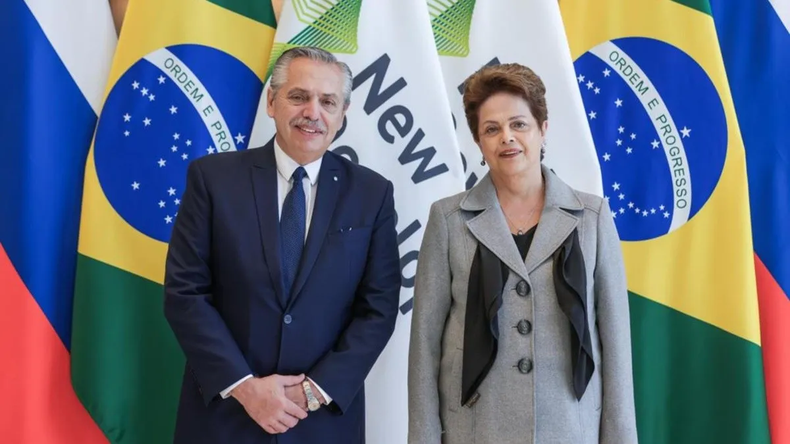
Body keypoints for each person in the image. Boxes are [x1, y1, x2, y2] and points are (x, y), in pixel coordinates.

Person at [164, 46, 401, 444]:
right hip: (225, 417)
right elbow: (185, 293)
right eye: (298, 96)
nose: (313, 112)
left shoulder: (372, 193)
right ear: (272, 102)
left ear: (342, 115)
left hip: (323, 422)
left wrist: (312, 392)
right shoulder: (212, 180)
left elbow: (378, 308)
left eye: (328, 101)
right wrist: (245, 387)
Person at [407, 63, 638, 443]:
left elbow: (615, 344)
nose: (507, 138)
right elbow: (424, 348)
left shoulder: (592, 217)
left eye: (519, 124)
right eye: (492, 129)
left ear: (542, 129)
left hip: (569, 429)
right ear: (479, 142)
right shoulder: (447, 220)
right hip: (474, 430)